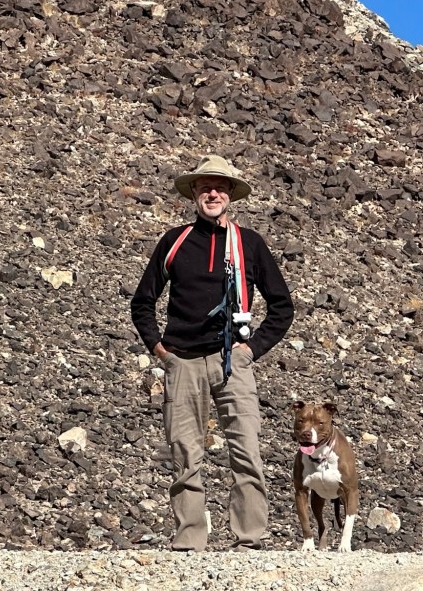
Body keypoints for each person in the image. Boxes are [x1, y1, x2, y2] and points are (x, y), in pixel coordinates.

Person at [131, 154, 295, 552]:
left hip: (232, 363)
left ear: (231, 195)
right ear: (194, 193)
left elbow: (282, 306)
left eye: (220, 187)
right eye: (205, 186)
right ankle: (189, 541)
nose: (213, 193)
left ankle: (249, 539)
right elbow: (142, 302)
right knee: (186, 454)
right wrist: (160, 350)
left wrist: (250, 351)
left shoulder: (249, 244)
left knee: (246, 450)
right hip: (181, 362)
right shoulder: (174, 241)